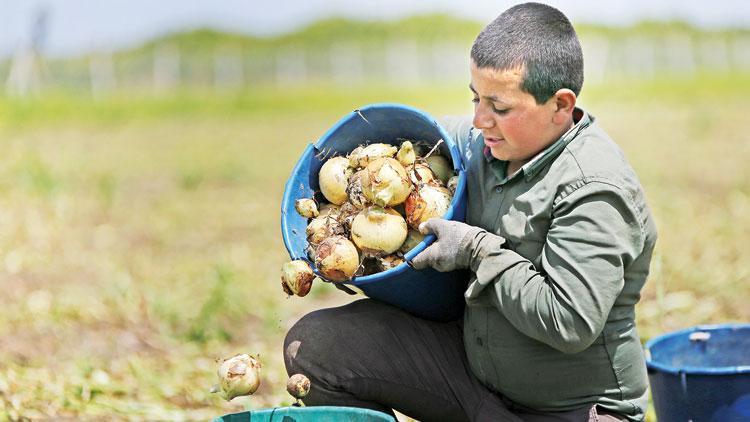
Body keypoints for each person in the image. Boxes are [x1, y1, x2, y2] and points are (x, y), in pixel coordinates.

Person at [283, 3, 657, 421]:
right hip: (478, 386)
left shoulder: (594, 187)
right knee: (315, 347)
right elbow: (411, 143)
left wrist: (476, 251)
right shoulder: (487, 144)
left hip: (571, 411)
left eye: (499, 107)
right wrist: (343, 199)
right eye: (475, 98)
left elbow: (568, 321)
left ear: (560, 105)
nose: (479, 120)